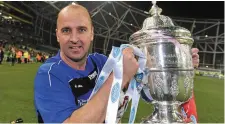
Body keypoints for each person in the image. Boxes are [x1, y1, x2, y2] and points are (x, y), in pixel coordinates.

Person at [34, 3, 200, 123]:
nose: (74, 39)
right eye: (66, 30)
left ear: (92, 33)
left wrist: (175, 64)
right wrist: (118, 77)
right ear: (57, 35)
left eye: (82, 30)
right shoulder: (49, 75)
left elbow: (148, 93)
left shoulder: (102, 63)